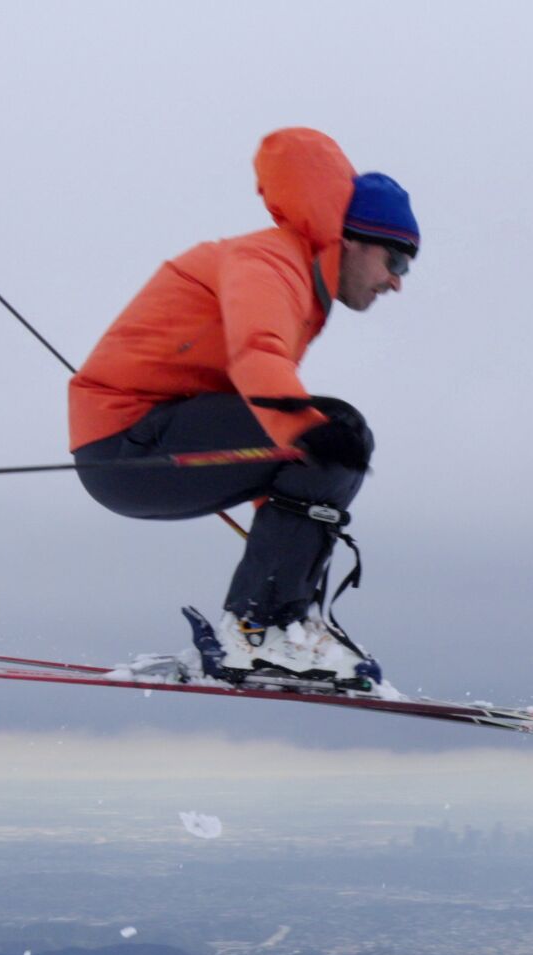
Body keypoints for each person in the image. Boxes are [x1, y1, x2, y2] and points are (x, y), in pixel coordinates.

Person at [67, 128, 417, 690]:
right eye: (394, 258)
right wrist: (309, 436)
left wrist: (284, 530)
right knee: (340, 432)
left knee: (336, 442)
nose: (397, 281)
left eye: (408, 266)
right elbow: (257, 354)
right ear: (351, 239)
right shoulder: (271, 262)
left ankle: (282, 629)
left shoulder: (302, 287)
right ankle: (261, 629)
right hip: (131, 445)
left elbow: (253, 407)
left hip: (150, 442)